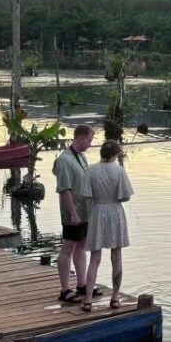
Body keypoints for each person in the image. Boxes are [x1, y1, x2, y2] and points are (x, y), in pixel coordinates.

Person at [82, 139, 134, 312]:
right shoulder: (119, 171)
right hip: (114, 212)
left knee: (94, 259)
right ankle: (114, 298)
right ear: (116, 154)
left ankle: (88, 299)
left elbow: (86, 195)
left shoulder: (90, 170)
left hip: (97, 212)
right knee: (116, 257)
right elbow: (125, 196)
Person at [53, 124, 96, 303]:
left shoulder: (81, 157)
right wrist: (72, 213)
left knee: (82, 245)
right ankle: (65, 289)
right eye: (89, 140)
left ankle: (82, 284)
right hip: (73, 212)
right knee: (68, 247)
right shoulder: (65, 159)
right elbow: (64, 189)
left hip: (85, 211)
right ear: (80, 138)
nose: (90, 144)